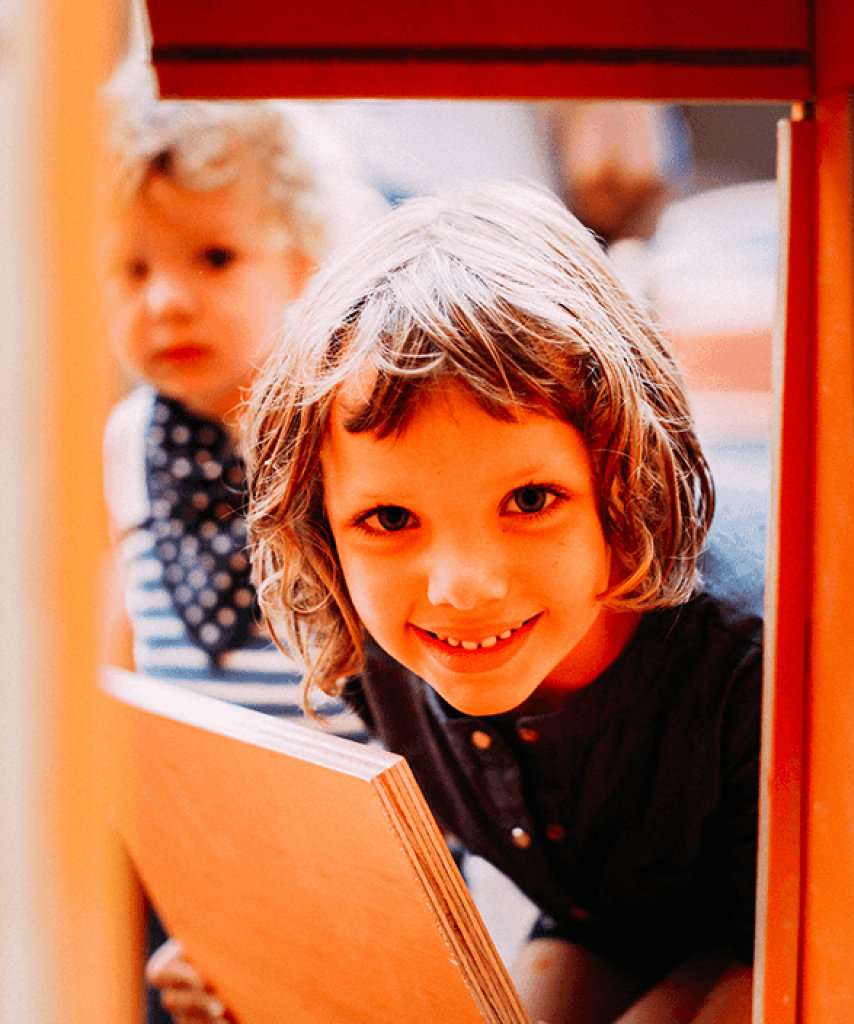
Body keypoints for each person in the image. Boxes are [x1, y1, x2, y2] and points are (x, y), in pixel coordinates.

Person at [153, 180, 762, 1023]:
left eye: (531, 501)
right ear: (322, 530)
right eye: (390, 518)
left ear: (628, 480)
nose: (460, 588)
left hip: (789, 931)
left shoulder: (744, 659)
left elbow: (788, 954)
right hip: (600, 915)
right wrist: (258, 957)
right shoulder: (378, 639)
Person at [100, 92, 384, 1023]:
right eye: (130, 270)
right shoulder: (129, 439)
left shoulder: (341, 425)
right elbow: (128, 644)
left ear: (302, 262)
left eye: (214, 258)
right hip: (198, 856)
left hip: (348, 847)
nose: (166, 299)